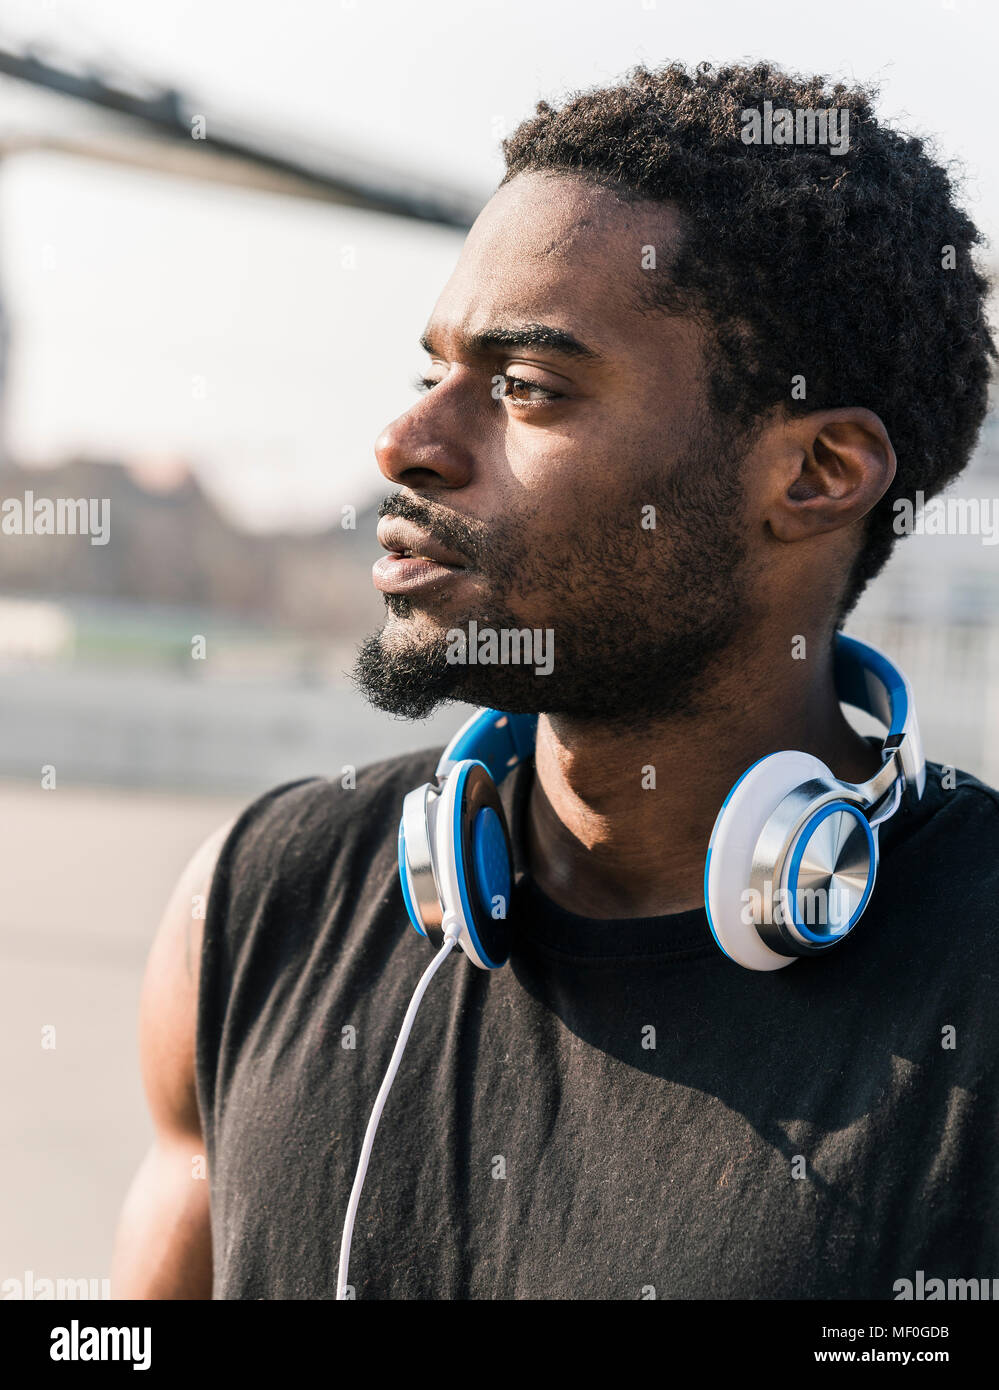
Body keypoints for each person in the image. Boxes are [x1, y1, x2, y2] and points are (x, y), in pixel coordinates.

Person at [112, 60, 999, 1300]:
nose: (407, 441)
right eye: (436, 371)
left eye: (527, 388)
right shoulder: (255, 907)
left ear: (815, 473)